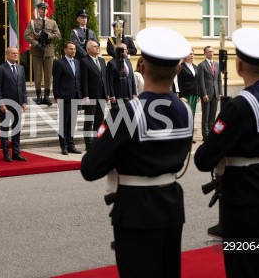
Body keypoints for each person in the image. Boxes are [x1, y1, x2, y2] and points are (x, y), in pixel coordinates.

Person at [81, 27, 193, 278]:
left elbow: (90, 168)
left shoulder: (128, 113)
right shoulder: (185, 109)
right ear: (178, 70)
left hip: (136, 209)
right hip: (172, 205)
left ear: (141, 67)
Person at [194, 27, 259, 278]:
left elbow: (203, 158)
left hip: (244, 207)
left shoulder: (239, 105)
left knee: (244, 266)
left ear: (238, 66)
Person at [0, 47, 28, 162]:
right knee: (5, 130)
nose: (16, 55)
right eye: (13, 53)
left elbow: (23, 87)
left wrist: (24, 102)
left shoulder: (21, 68)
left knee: (17, 130)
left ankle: (16, 152)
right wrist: (1, 104)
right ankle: (6, 154)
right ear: (7, 55)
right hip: (6, 106)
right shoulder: (0, 69)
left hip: (18, 104)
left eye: (17, 53)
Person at [24, 1, 61, 105]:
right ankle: (39, 96)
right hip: (37, 51)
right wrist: (36, 44)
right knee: (38, 74)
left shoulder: (52, 22)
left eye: (45, 9)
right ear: (38, 10)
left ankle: (47, 96)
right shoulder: (33, 22)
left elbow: (58, 36)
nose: (43, 11)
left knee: (48, 75)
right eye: (41, 9)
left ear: (47, 10)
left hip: (48, 51)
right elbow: (26, 35)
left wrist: (48, 35)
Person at [52, 41, 82, 155]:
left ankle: (71, 144)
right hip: (64, 97)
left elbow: (78, 80)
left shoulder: (77, 62)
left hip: (75, 96)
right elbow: (56, 81)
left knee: (72, 123)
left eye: (74, 49)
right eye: (71, 49)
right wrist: (57, 96)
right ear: (65, 50)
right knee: (64, 123)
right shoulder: (59, 63)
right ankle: (63, 146)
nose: (73, 51)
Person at [80, 40, 109, 151]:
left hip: (102, 96)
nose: (97, 48)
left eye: (98, 46)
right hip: (91, 96)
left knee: (99, 121)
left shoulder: (102, 61)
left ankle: (98, 142)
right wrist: (85, 95)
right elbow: (84, 80)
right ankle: (88, 144)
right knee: (89, 121)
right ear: (88, 49)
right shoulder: (84, 61)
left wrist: (107, 93)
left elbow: (104, 79)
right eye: (95, 46)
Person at [198, 46, 222, 141]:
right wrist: (204, 94)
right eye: (209, 52)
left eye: (212, 51)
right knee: (205, 115)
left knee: (212, 115)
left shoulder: (217, 64)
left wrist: (220, 92)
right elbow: (201, 81)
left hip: (215, 94)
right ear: (205, 53)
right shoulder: (201, 65)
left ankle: (211, 134)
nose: (211, 53)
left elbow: (219, 80)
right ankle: (205, 135)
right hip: (207, 94)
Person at [178, 49, 199, 115]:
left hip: (194, 94)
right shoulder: (181, 67)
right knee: (186, 112)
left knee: (193, 112)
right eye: (190, 54)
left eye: (193, 54)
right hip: (186, 94)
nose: (192, 55)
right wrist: (181, 95)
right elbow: (179, 82)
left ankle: (191, 125)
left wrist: (198, 94)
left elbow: (197, 81)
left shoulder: (195, 67)